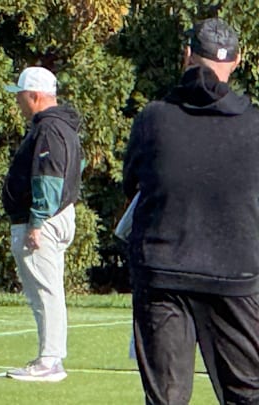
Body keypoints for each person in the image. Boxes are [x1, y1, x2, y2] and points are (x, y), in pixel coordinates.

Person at [123, 18, 259, 404]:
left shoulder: (153, 118)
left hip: (163, 270)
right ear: (237, 61)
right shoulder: (254, 124)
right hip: (235, 275)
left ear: (186, 55)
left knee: (166, 398)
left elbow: (132, 184)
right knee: (248, 396)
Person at [1, 66, 83, 382]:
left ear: (34, 95)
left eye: (21, 96)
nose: (19, 102)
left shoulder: (48, 129)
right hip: (59, 216)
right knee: (49, 291)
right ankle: (50, 357)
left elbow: (48, 179)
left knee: (45, 292)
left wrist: (36, 221)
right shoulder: (63, 127)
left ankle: (49, 360)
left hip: (43, 220)